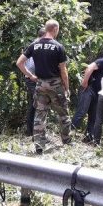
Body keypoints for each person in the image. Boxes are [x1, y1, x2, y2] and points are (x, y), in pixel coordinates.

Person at [16, 19, 71, 154]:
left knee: (40, 114)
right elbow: (63, 71)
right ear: (55, 29)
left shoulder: (34, 45)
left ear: (46, 29)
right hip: (55, 84)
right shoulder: (58, 46)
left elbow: (19, 63)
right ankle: (66, 141)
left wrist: (30, 75)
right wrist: (67, 87)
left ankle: (39, 145)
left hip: (40, 84)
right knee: (63, 113)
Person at [74, 51, 103, 142]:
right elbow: (89, 67)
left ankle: (88, 137)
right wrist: (85, 82)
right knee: (81, 112)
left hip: (98, 93)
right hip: (89, 88)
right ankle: (69, 134)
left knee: (93, 116)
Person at [23, 27, 46, 136]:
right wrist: (31, 75)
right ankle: (33, 131)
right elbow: (31, 65)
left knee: (34, 104)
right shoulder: (36, 45)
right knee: (37, 104)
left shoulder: (35, 44)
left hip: (34, 78)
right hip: (33, 79)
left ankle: (31, 131)